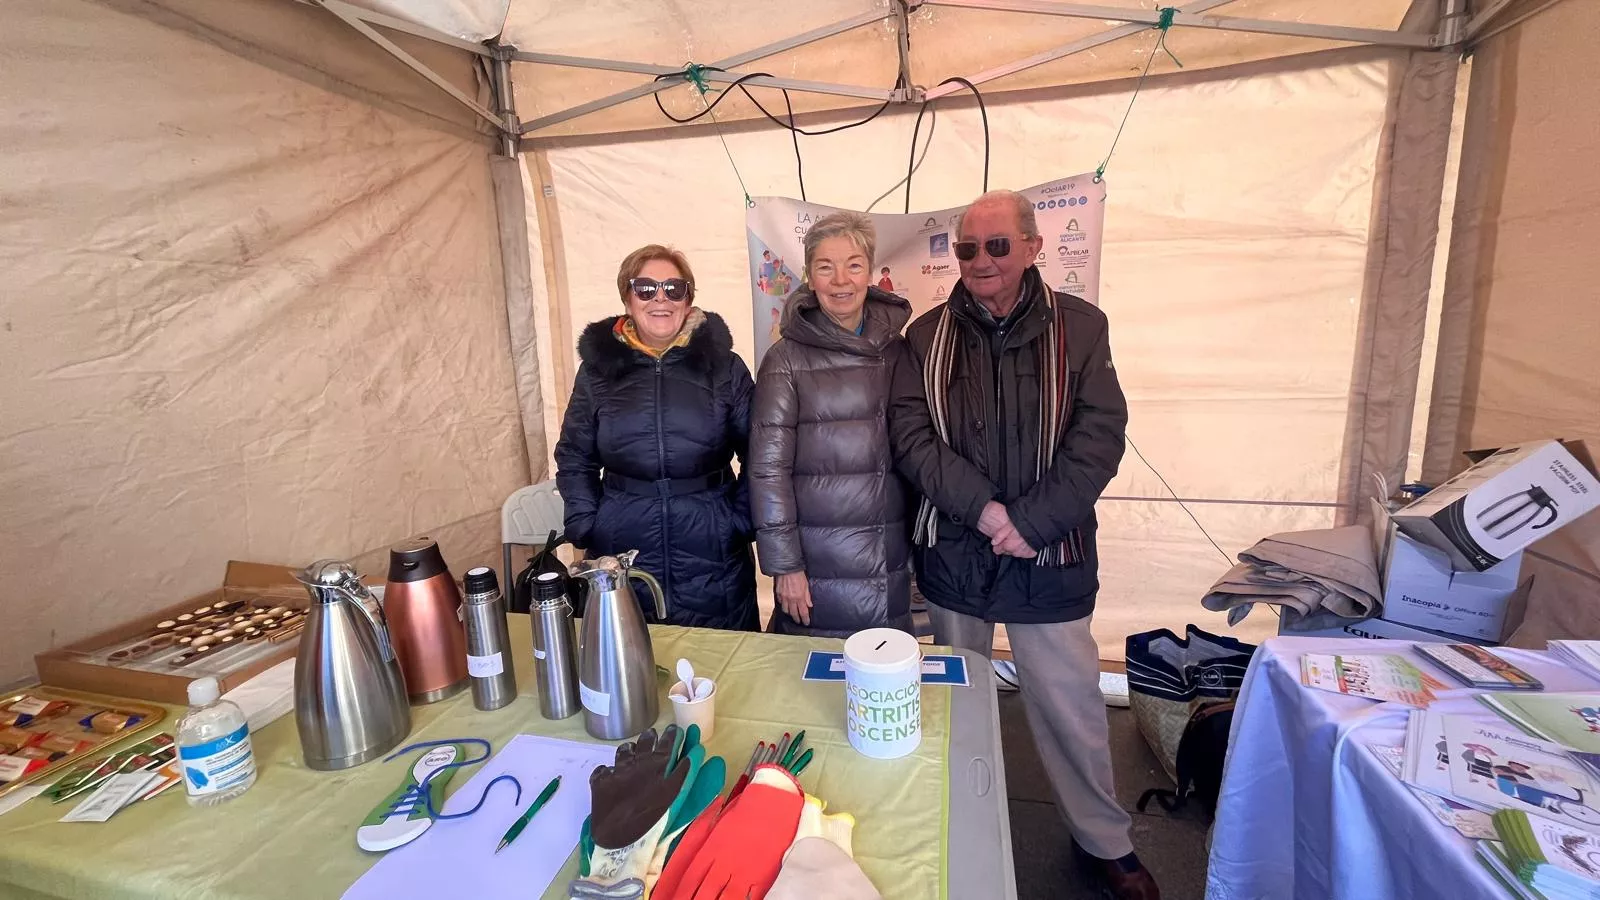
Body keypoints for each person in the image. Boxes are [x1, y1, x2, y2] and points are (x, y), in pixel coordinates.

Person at [888, 191, 1157, 898]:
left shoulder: (1083, 327)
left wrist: (1029, 523)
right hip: (956, 551)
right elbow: (913, 439)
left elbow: (1099, 435)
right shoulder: (923, 337)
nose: (981, 261)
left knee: (1072, 707)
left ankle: (1104, 840)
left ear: (1034, 248)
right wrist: (982, 511)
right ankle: (951, 819)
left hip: (1052, 553)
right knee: (952, 701)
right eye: (968, 248)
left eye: (997, 245)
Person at [554, 244, 759, 630]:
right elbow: (574, 454)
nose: (660, 298)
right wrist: (587, 523)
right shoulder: (597, 372)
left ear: (688, 298)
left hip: (712, 545)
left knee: (722, 668)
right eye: (645, 288)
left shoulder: (725, 368)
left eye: (673, 288)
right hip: (622, 542)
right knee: (629, 668)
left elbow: (760, 452)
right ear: (627, 299)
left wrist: (740, 519)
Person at [750, 211, 914, 637]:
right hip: (817, 572)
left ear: (870, 273)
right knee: (812, 688)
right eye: (826, 267)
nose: (841, 280)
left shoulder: (899, 351)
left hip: (889, 561)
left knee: (883, 685)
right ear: (809, 276)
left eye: (853, 265)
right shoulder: (784, 360)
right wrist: (786, 566)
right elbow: (768, 473)